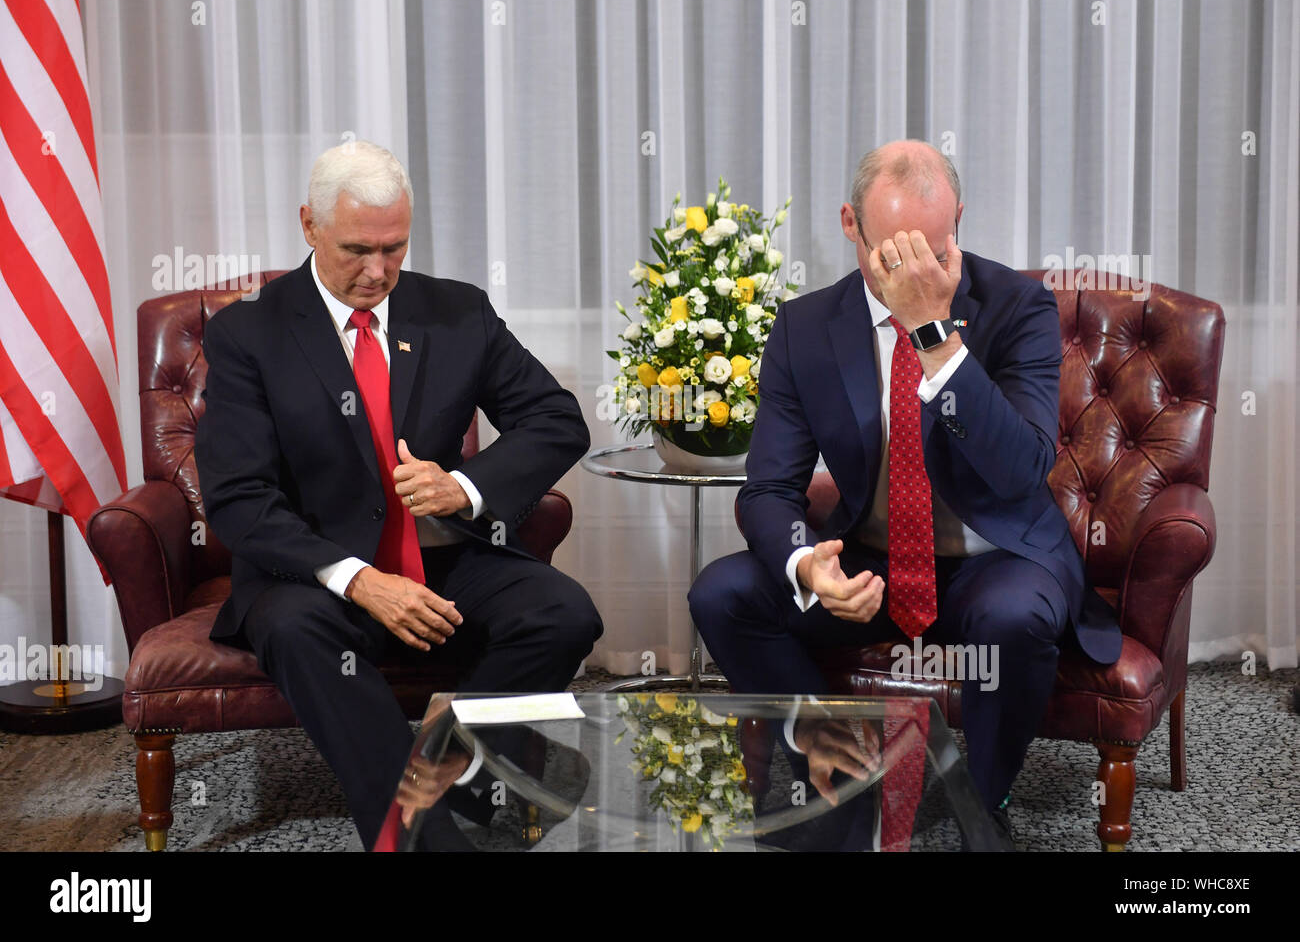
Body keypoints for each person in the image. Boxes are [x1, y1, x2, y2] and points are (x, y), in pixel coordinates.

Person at [688, 139, 1120, 842]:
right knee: (722, 593)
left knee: (1013, 617)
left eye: (933, 247)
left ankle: (984, 803)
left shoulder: (1018, 308)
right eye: (891, 252)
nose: (913, 269)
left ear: (959, 223)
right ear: (849, 224)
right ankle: (829, 749)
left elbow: (1019, 469)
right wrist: (808, 565)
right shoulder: (805, 328)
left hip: (998, 555)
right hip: (875, 563)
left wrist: (934, 337)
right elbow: (768, 487)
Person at [195, 139, 602, 850]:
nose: (378, 270)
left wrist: (466, 485)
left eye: (395, 247)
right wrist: (359, 581)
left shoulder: (455, 312)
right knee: (294, 629)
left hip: (441, 559)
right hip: (312, 573)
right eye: (357, 248)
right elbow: (238, 497)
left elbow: (558, 420)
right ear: (308, 224)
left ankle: (459, 764)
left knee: (564, 613)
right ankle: (418, 836)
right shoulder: (248, 332)